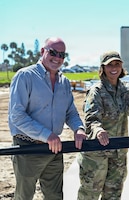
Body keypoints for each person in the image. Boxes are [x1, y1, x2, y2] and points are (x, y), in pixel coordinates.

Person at [8, 37, 87, 200]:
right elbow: (17, 115)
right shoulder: (25, 76)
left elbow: (70, 112)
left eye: (62, 55)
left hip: (54, 149)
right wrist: (46, 135)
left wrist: (78, 128)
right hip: (27, 148)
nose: (57, 58)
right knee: (24, 196)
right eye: (53, 52)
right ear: (43, 51)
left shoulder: (64, 82)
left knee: (55, 196)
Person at [77, 51, 129, 200]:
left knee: (113, 194)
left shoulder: (125, 89)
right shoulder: (96, 91)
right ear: (103, 68)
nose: (114, 68)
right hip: (97, 154)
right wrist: (98, 129)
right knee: (90, 193)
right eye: (110, 65)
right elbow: (91, 118)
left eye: (117, 64)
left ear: (121, 67)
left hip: (118, 153)